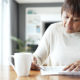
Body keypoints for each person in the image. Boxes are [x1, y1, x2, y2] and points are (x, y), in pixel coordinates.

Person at [31, 0, 80, 72]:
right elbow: (38, 57)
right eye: (66, 17)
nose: (68, 24)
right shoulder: (53, 29)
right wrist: (33, 62)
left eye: (76, 20)